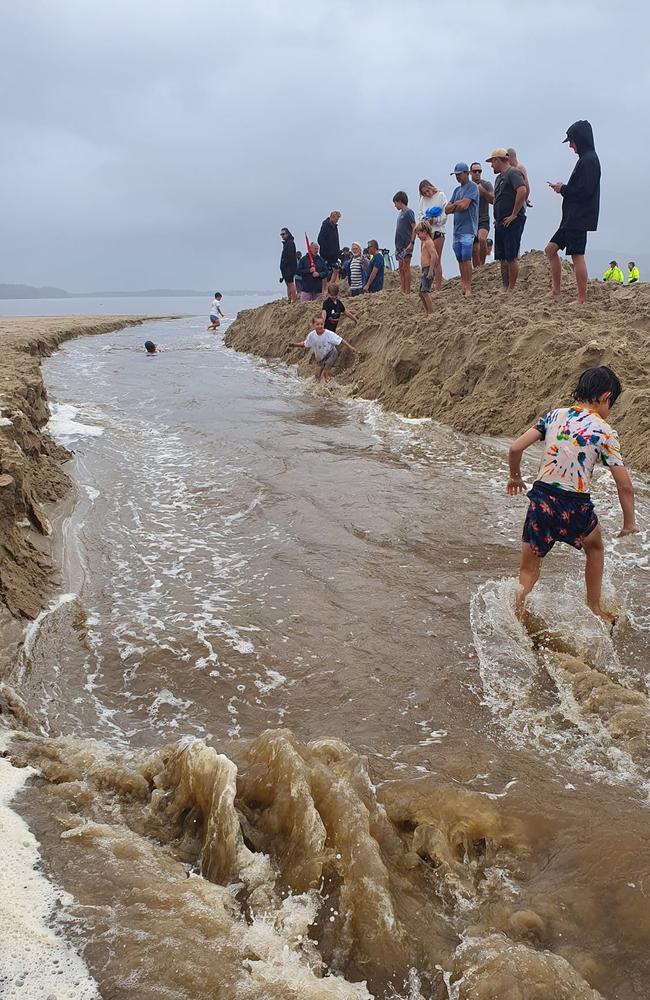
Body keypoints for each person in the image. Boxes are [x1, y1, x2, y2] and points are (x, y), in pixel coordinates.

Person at [507, 366, 637, 622]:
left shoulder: (554, 416)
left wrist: (515, 477)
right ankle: (593, 607)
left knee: (528, 570)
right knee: (595, 545)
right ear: (605, 396)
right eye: (612, 403)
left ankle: (516, 620)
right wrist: (629, 522)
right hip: (574, 504)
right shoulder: (605, 430)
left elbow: (515, 447)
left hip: (541, 499)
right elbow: (625, 486)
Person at [545, 121, 601, 305]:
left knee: (577, 256)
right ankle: (556, 290)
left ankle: (581, 298)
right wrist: (563, 188)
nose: (570, 145)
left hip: (579, 218)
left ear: (580, 140)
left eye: (572, 141)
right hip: (570, 218)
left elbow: (585, 191)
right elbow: (580, 188)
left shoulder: (590, 160)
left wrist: (563, 189)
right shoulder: (585, 159)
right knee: (550, 249)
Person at [485, 148, 527, 292]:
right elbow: (497, 199)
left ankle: (511, 288)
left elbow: (522, 190)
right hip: (500, 222)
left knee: (511, 256)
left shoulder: (513, 173)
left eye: (492, 162)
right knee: (502, 257)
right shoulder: (499, 178)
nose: (491, 165)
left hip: (512, 221)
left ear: (498, 160)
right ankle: (505, 286)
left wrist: (514, 214)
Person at [444, 162, 479, 297]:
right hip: (457, 229)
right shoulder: (457, 191)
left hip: (468, 228)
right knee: (459, 258)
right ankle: (464, 284)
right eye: (456, 175)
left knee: (466, 256)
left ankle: (469, 286)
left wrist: (455, 205)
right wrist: (456, 204)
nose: (457, 177)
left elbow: (464, 206)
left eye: (459, 174)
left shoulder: (472, 187)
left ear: (466, 173)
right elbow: (446, 209)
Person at [290, 315, 358, 381]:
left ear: (324, 324)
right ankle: (317, 390)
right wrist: (294, 345)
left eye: (321, 324)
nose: (320, 326)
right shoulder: (311, 335)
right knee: (317, 375)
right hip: (320, 357)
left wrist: (351, 347)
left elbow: (340, 340)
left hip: (331, 354)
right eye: (317, 324)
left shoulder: (328, 334)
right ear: (313, 325)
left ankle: (329, 387)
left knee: (325, 373)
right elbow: (305, 344)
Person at [418, 180, 447, 290]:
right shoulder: (423, 200)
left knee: (436, 260)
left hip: (437, 230)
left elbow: (445, 215)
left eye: (428, 191)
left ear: (431, 187)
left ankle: (438, 286)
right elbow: (420, 215)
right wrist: (425, 221)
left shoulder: (441, 196)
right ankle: (426, 285)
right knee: (425, 261)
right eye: (424, 193)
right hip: (426, 233)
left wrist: (434, 220)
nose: (427, 194)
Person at [470, 163, 493, 267]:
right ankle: (476, 270)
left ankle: (482, 265)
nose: (477, 173)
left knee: (482, 239)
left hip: (483, 218)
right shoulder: (467, 187)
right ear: (470, 173)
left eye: (479, 171)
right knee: (474, 250)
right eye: (475, 171)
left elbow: (493, 200)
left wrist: (482, 190)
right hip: (471, 221)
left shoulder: (486, 184)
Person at [393, 191, 416, 293]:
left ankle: (407, 290)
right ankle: (402, 288)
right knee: (401, 268)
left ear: (400, 201)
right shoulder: (400, 214)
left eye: (395, 203)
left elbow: (414, 227)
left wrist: (412, 242)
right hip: (399, 244)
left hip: (407, 243)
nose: (395, 206)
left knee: (406, 267)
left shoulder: (408, 212)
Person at [415, 220, 438, 314]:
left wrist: (430, 270)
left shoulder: (429, 242)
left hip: (428, 269)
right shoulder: (425, 242)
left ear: (424, 232)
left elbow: (434, 256)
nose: (418, 236)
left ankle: (431, 312)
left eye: (419, 234)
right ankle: (427, 311)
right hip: (425, 269)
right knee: (421, 293)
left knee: (425, 292)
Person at [317, 211, 342, 283]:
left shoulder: (335, 227)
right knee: (325, 272)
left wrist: (337, 251)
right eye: (336, 219)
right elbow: (320, 239)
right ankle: (325, 288)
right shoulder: (326, 226)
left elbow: (336, 240)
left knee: (336, 270)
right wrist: (328, 251)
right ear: (332, 217)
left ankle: (330, 287)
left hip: (334, 254)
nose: (337, 221)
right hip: (327, 254)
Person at [279, 228, 298, 303]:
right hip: (286, 267)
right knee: (288, 283)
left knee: (290, 283)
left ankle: (293, 299)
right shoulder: (287, 243)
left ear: (287, 234)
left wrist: (285, 264)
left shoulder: (290, 243)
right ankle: (290, 298)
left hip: (289, 267)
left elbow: (290, 256)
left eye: (283, 234)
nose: (282, 236)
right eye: (281, 234)